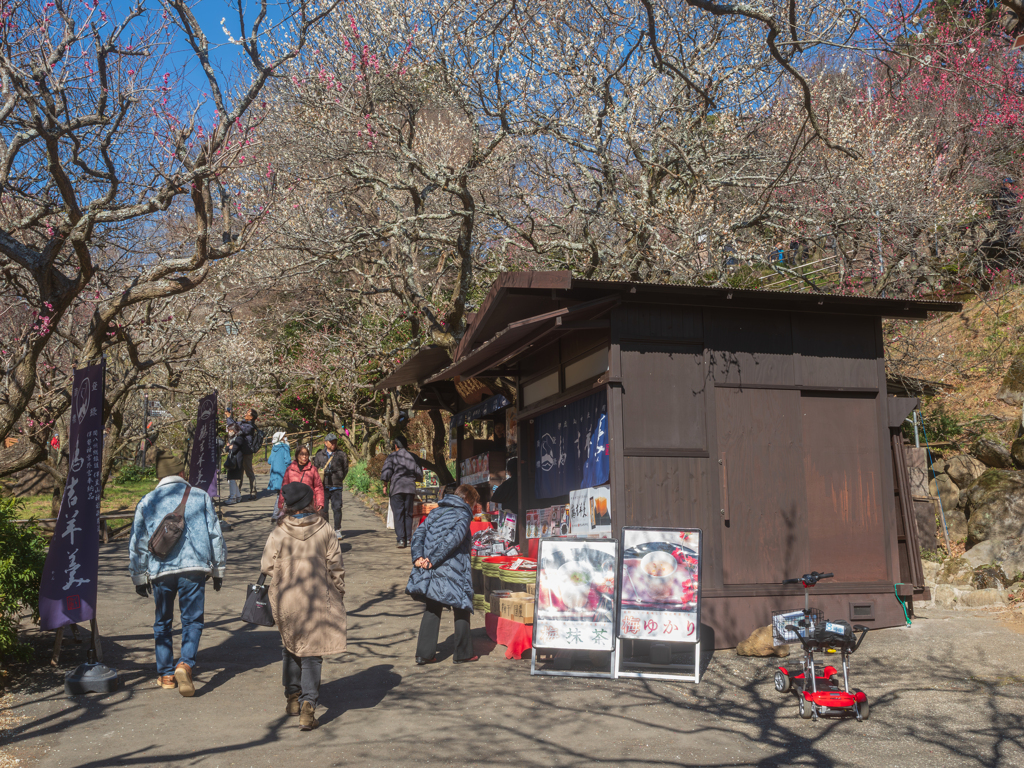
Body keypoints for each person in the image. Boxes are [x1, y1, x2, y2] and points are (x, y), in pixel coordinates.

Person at [129, 450, 226, 696]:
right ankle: (185, 663)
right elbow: (215, 534)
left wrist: (139, 576)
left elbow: (138, 542)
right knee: (192, 620)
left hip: (161, 569)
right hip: (194, 569)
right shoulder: (200, 496)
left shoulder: (147, 501)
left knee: (163, 622)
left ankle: (166, 674)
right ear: (182, 473)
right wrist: (218, 569)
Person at [261, 482, 346, 731]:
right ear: (310, 502)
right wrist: (338, 592)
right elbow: (336, 567)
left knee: (290, 646)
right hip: (319, 597)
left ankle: (292, 697)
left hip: (287, 597)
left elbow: (266, 566)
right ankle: (309, 703)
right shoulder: (325, 529)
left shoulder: (279, 531)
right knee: (313, 652)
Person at [406, 484, 480, 665]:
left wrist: (419, 557)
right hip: (454, 568)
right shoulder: (463, 515)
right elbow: (453, 540)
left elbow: (418, 535)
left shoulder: (435, 512)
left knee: (433, 606)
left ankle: (424, 654)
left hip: (433, 567)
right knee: (461, 605)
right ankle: (463, 652)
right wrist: (432, 558)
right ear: (468, 501)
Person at [380, 438, 422, 549]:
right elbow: (419, 473)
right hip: (410, 488)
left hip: (397, 488)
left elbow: (387, 472)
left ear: (395, 446)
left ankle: (400, 539)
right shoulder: (413, 457)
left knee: (398, 513)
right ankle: (408, 539)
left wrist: (385, 485)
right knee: (408, 513)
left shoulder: (392, 457)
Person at [313, 433, 349, 538]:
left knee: (337, 508)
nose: (334, 444)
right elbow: (315, 468)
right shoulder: (319, 455)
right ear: (325, 443)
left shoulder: (341, 454)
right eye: (331, 442)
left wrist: (339, 477)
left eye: (335, 442)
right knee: (323, 510)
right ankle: (326, 529)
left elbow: (345, 469)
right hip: (323, 486)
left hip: (336, 486)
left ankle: (337, 529)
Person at [276, 445, 324, 520]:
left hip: (309, 504)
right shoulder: (289, 469)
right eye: (302, 454)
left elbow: (318, 486)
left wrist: (320, 501)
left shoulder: (313, 469)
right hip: (293, 504)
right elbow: (284, 487)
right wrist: (281, 504)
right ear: (297, 455)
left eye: (306, 454)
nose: (304, 456)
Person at [226, 407, 258, 499]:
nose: (245, 414)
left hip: (247, 452)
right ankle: (237, 492)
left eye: (248, 413)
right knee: (239, 471)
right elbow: (233, 426)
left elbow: (237, 429)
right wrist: (229, 417)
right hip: (239, 451)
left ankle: (253, 491)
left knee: (249, 472)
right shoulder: (242, 423)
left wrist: (229, 418)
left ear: (251, 417)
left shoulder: (250, 426)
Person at [224, 424, 244, 504]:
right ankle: (238, 496)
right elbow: (226, 448)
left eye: (230, 430)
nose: (229, 432)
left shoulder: (239, 438)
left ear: (234, 430)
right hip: (232, 460)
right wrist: (229, 447)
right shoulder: (232, 438)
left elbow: (234, 449)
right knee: (231, 479)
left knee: (231, 479)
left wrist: (230, 447)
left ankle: (233, 497)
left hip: (235, 461)